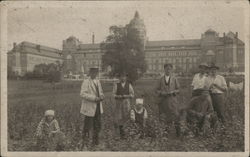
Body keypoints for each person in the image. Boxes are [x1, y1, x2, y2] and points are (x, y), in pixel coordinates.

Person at [80, 67, 105, 149]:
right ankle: (84, 142)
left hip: (98, 106)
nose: (94, 74)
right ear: (90, 73)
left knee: (98, 124)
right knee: (88, 125)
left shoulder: (98, 81)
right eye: (93, 72)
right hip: (89, 107)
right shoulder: (86, 82)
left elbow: (100, 91)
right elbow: (82, 94)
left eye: (96, 72)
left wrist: (101, 96)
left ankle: (95, 141)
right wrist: (94, 98)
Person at [155, 63, 181, 136]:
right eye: (166, 69)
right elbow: (156, 90)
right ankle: (166, 133)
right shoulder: (160, 79)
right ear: (164, 69)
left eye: (169, 69)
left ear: (171, 70)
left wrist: (173, 92)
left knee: (176, 115)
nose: (168, 70)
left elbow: (178, 89)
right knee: (165, 116)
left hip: (173, 100)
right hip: (163, 101)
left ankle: (178, 133)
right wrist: (161, 93)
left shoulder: (174, 78)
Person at [113, 72, 134, 139]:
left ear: (126, 77)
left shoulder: (129, 85)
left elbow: (132, 94)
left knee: (126, 117)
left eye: (124, 76)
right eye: (121, 77)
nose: (123, 78)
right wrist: (118, 96)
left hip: (126, 103)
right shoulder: (116, 85)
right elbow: (113, 94)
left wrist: (127, 95)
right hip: (119, 103)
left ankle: (126, 134)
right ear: (119, 78)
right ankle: (120, 134)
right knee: (119, 118)